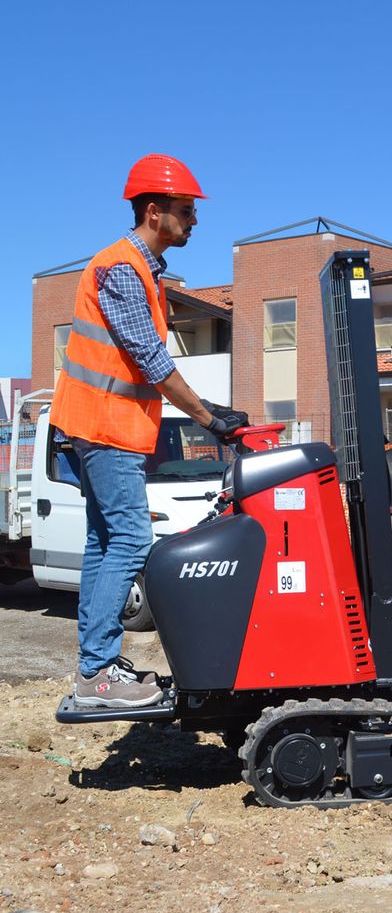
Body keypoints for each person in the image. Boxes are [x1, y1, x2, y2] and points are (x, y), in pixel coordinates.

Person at [50, 154, 248, 709]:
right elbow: (148, 358)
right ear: (155, 211)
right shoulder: (121, 269)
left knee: (105, 542)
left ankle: (96, 667)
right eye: (186, 211)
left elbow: (144, 360)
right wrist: (210, 420)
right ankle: (97, 671)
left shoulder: (146, 272)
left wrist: (210, 408)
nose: (194, 221)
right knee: (133, 540)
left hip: (104, 428)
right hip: (103, 428)